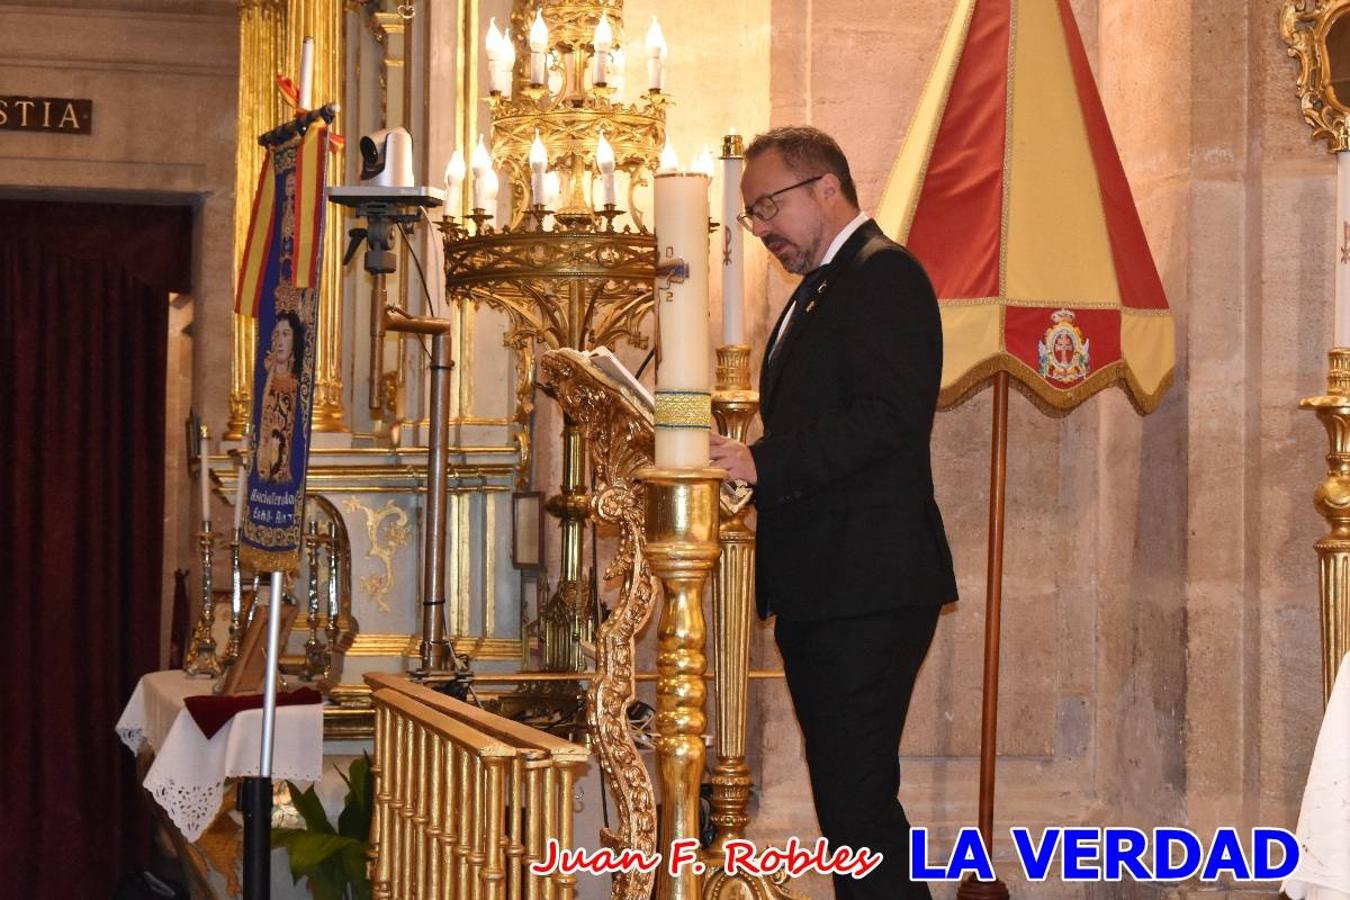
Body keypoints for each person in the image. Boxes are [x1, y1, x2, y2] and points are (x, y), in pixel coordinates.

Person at [710, 126, 957, 900]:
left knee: (859, 817)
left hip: (868, 588)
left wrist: (762, 461)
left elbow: (889, 417)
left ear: (827, 188)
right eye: (751, 217)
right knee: (853, 817)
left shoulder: (884, 276)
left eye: (768, 207)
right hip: (829, 589)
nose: (761, 230)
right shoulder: (821, 288)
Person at [255, 310, 305, 484]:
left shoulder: (299, 385)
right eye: (276, 334)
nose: (280, 341)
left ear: (294, 340)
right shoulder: (264, 383)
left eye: (286, 334)